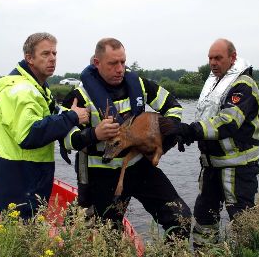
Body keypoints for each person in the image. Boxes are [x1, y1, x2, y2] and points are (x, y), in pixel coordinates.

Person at [61, 38, 191, 240]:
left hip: (139, 166)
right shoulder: (79, 96)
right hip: (101, 175)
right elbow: (65, 140)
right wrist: (95, 134)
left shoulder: (137, 84)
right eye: (113, 63)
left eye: (123, 62)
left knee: (180, 218)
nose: (120, 69)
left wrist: (165, 134)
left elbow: (173, 106)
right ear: (97, 63)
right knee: (109, 237)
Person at [0, 32, 89, 219]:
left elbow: (47, 116)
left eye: (54, 54)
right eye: (45, 54)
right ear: (29, 58)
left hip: (27, 168)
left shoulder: (38, 86)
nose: (52, 59)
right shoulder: (21, 91)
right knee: (22, 231)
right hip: (17, 172)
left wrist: (68, 116)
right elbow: (29, 135)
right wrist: (72, 117)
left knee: (29, 225)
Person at [176, 38, 259, 247]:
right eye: (210, 58)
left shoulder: (243, 85)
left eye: (218, 58)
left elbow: (228, 122)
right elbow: (207, 120)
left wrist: (193, 130)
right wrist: (183, 134)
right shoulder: (214, 84)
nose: (213, 62)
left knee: (243, 220)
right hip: (211, 167)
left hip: (238, 169)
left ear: (233, 58)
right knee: (204, 218)